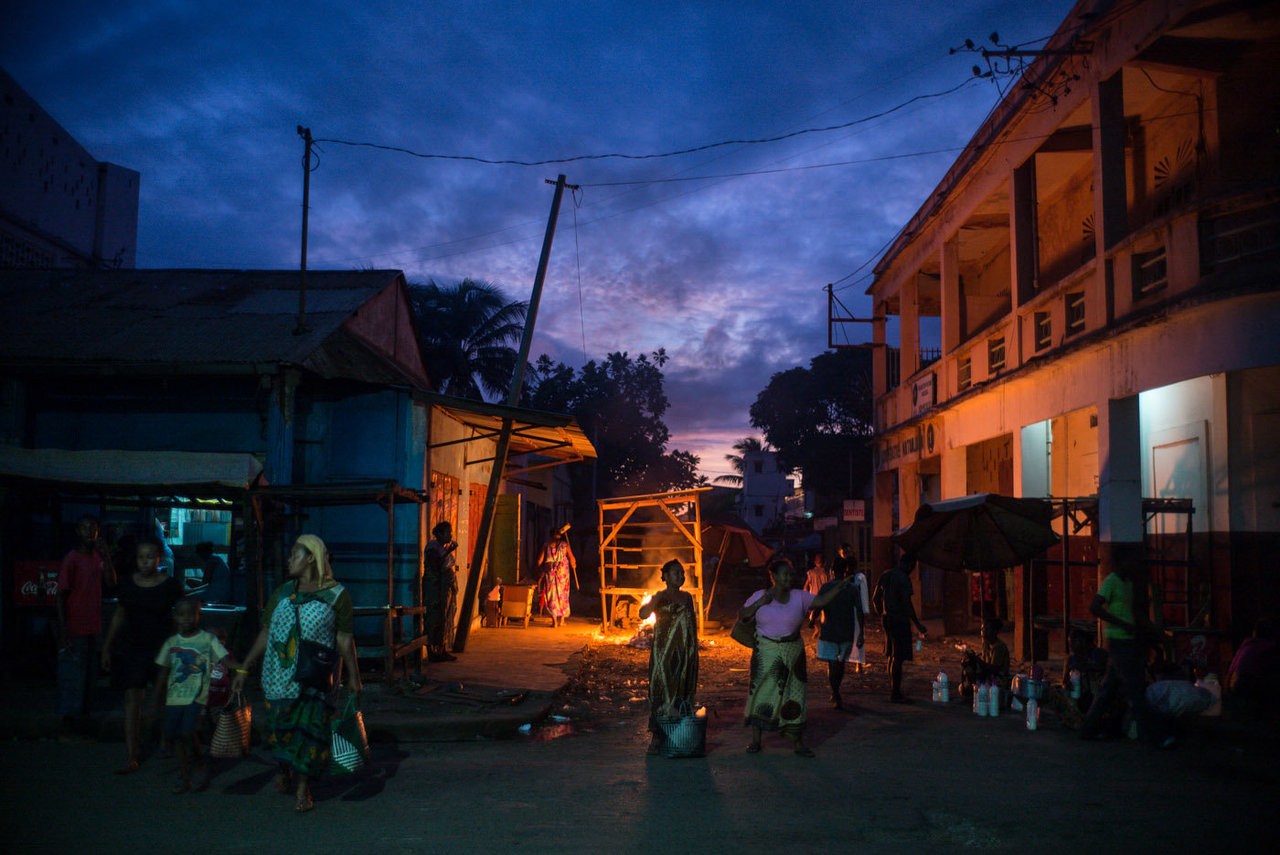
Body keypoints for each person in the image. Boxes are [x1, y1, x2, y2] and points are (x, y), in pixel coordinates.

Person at [232, 535, 361, 813]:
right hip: (277, 678)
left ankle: (303, 789)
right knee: (280, 730)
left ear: (312, 557)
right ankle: (283, 766)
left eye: (294, 554)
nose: (289, 559)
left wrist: (354, 676)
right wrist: (244, 667)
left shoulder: (337, 596)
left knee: (310, 734)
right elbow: (266, 632)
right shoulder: (281, 593)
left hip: (316, 680)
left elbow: (344, 639)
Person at [740, 557, 855, 756]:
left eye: (791, 574)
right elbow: (743, 616)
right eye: (785, 574)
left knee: (795, 696)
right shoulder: (760, 595)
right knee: (761, 693)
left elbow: (821, 601)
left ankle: (798, 743)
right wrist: (760, 602)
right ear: (773, 576)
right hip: (766, 652)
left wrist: (839, 588)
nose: (789, 578)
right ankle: (756, 740)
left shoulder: (799, 596)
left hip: (793, 652)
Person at [101, 536, 184, 773]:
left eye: (150, 557)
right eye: (141, 557)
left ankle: (164, 741)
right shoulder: (128, 584)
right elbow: (119, 615)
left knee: (161, 698)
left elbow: (182, 615)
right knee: (132, 700)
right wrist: (107, 646)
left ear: (159, 559)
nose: (145, 562)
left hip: (162, 649)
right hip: (131, 649)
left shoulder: (170, 585)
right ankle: (131, 755)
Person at [152, 598, 237, 793]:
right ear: (175, 617)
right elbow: (163, 672)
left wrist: (242, 669)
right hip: (175, 697)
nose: (186, 619)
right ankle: (187, 775)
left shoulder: (207, 639)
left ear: (199, 616)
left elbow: (226, 660)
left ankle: (198, 766)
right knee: (178, 737)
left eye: (191, 614)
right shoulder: (172, 643)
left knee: (187, 732)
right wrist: (155, 701)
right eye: (182, 615)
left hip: (197, 696)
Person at [1080, 546, 1159, 745]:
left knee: (1108, 688)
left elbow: (1135, 614)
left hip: (1127, 640)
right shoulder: (1112, 581)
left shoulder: (1128, 584)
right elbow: (1094, 607)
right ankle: (1149, 734)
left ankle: (1088, 728)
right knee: (1135, 687)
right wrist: (1121, 623)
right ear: (1122, 562)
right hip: (1118, 640)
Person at [55, 515, 117, 725]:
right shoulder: (71, 558)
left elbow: (111, 582)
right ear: (77, 532)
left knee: (89, 674)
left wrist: (106, 554)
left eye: (93, 528)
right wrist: (63, 631)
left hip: (93, 625)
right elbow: (60, 595)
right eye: (85, 528)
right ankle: (70, 717)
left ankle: (81, 715)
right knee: (74, 673)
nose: (90, 532)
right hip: (75, 625)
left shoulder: (98, 557)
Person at [639, 559, 699, 755]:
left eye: (682, 573)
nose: (681, 576)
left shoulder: (688, 597)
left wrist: (691, 653)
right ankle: (657, 737)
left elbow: (691, 626)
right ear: (664, 576)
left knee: (681, 691)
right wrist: (654, 600)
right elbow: (642, 614)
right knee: (661, 691)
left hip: (684, 653)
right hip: (663, 655)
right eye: (676, 573)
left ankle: (677, 736)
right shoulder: (660, 597)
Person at [872, 552, 928, 702]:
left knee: (891, 655)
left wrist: (882, 613)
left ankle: (894, 690)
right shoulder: (904, 579)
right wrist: (917, 624)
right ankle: (895, 693)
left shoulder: (886, 574)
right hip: (899, 620)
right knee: (897, 657)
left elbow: (875, 598)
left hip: (887, 619)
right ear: (910, 565)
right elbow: (907, 604)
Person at [813, 558, 868, 710]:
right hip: (846, 631)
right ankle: (836, 692)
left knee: (832, 663)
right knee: (841, 663)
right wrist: (861, 633)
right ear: (845, 572)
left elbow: (818, 606)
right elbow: (860, 611)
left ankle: (835, 692)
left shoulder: (826, 587)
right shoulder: (852, 589)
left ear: (831, 571)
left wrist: (812, 621)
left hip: (829, 630)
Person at [424, 521, 459, 662]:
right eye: (447, 533)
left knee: (443, 619)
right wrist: (450, 551)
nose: (450, 535)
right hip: (434, 589)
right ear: (439, 534)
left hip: (443, 589)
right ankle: (432, 652)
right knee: (433, 619)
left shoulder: (441, 547)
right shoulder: (433, 547)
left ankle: (442, 650)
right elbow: (436, 566)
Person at [538, 523, 576, 628]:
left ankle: (554, 621)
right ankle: (562, 621)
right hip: (562, 574)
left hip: (550, 573)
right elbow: (572, 559)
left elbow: (539, 561)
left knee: (552, 596)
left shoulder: (546, 546)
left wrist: (542, 570)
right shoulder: (565, 545)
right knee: (563, 595)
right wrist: (573, 563)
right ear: (560, 536)